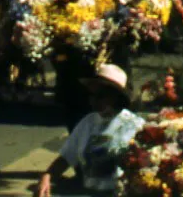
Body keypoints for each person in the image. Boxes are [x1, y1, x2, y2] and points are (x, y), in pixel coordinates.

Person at [36, 64, 144, 197]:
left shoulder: (133, 125)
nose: (93, 101)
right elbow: (67, 155)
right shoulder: (87, 122)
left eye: (100, 96)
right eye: (91, 95)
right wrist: (47, 176)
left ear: (115, 96)